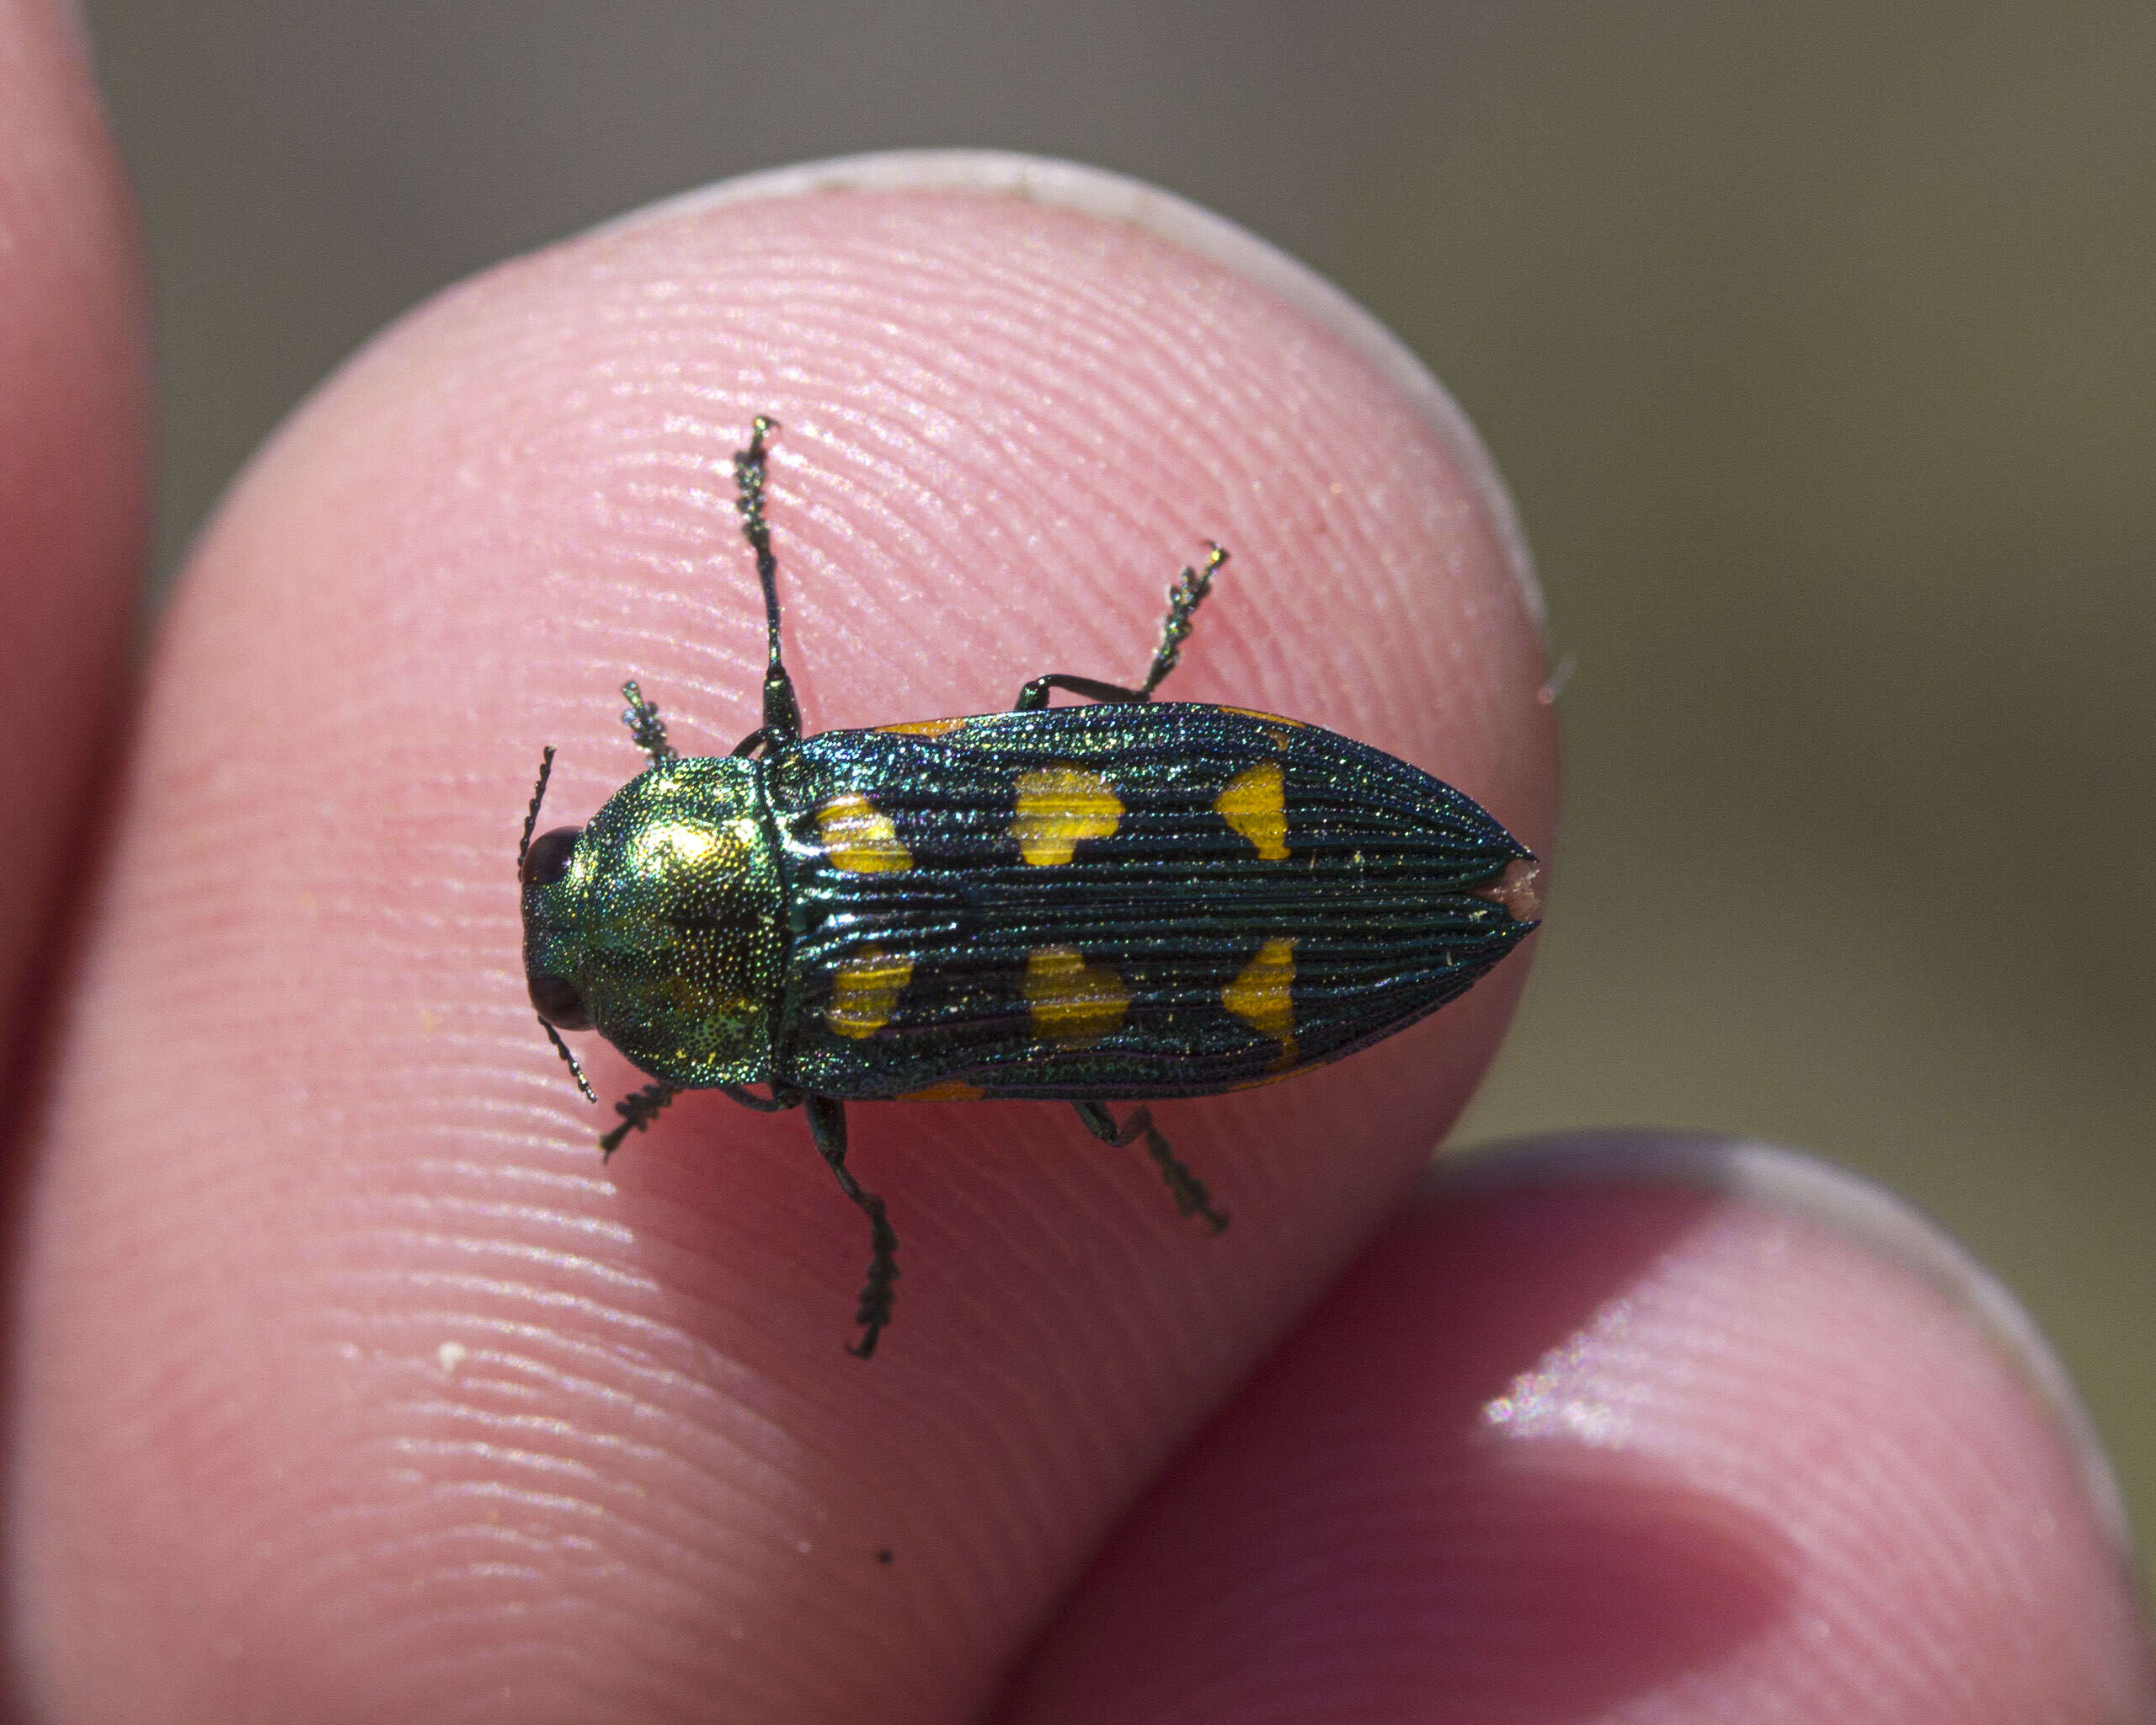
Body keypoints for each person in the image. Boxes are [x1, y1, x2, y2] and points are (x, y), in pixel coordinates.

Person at [3, 8, 2145, 1715]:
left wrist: (767, 1149)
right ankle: (1153, 857)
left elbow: (846, 1145)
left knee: (1065, 991)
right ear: (666, 810)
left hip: (1242, 931)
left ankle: (1155, 1040)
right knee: (1052, 727)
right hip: (1226, 874)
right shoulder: (791, 798)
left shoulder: (800, 1047)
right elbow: (826, 807)